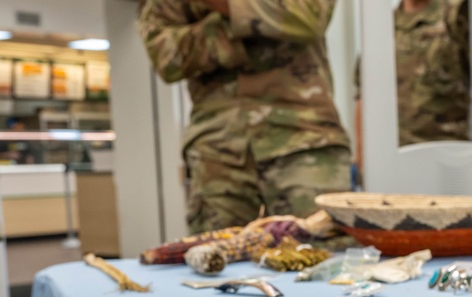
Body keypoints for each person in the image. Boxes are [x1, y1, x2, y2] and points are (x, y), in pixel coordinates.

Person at [138, 0, 352, 233]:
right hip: (217, 150)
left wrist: (225, 15)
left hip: (305, 140)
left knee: (325, 258)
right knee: (214, 258)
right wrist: (255, 25)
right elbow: (166, 57)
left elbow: (307, 17)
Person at [354, 0, 471, 172]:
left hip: (448, 160)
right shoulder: (381, 26)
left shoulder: (454, 18)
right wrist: (362, 161)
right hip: (392, 162)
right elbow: (363, 98)